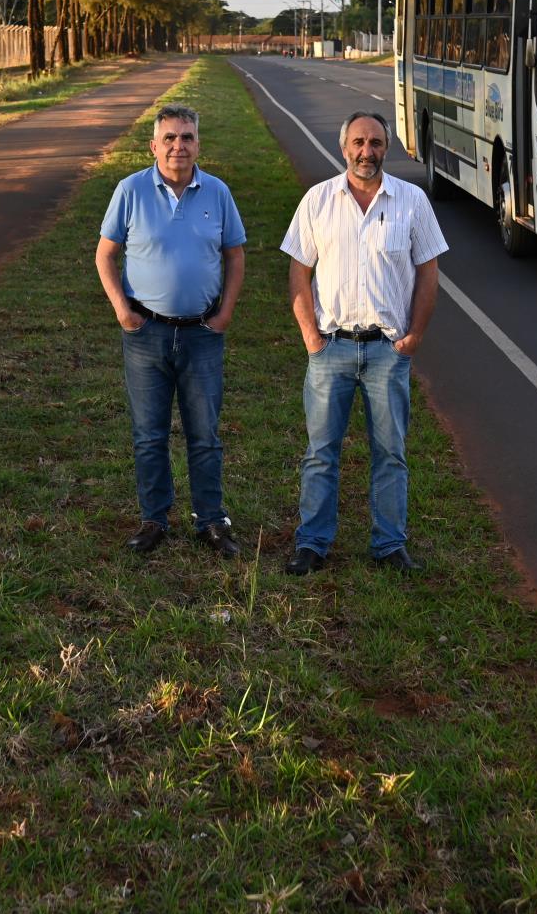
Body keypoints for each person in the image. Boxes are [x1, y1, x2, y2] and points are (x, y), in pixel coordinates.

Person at [279, 111, 447, 576]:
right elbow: (298, 271)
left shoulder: (411, 201)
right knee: (320, 453)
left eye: (375, 142)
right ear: (343, 147)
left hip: (387, 352)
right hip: (330, 348)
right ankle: (312, 543)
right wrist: (311, 338)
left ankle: (389, 545)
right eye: (358, 142)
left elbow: (428, 273)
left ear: (385, 147)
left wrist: (412, 338)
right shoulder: (317, 201)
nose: (366, 151)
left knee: (390, 453)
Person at [95, 103, 247, 557]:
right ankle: (154, 519)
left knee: (205, 433)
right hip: (147, 333)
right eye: (170, 138)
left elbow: (235, 256)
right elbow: (105, 255)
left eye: (186, 138)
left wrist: (225, 315)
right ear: (154, 145)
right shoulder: (131, 190)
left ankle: (210, 520)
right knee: (149, 434)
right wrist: (122, 310)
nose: (178, 146)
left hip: (202, 333)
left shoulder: (217, 192)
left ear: (198, 144)